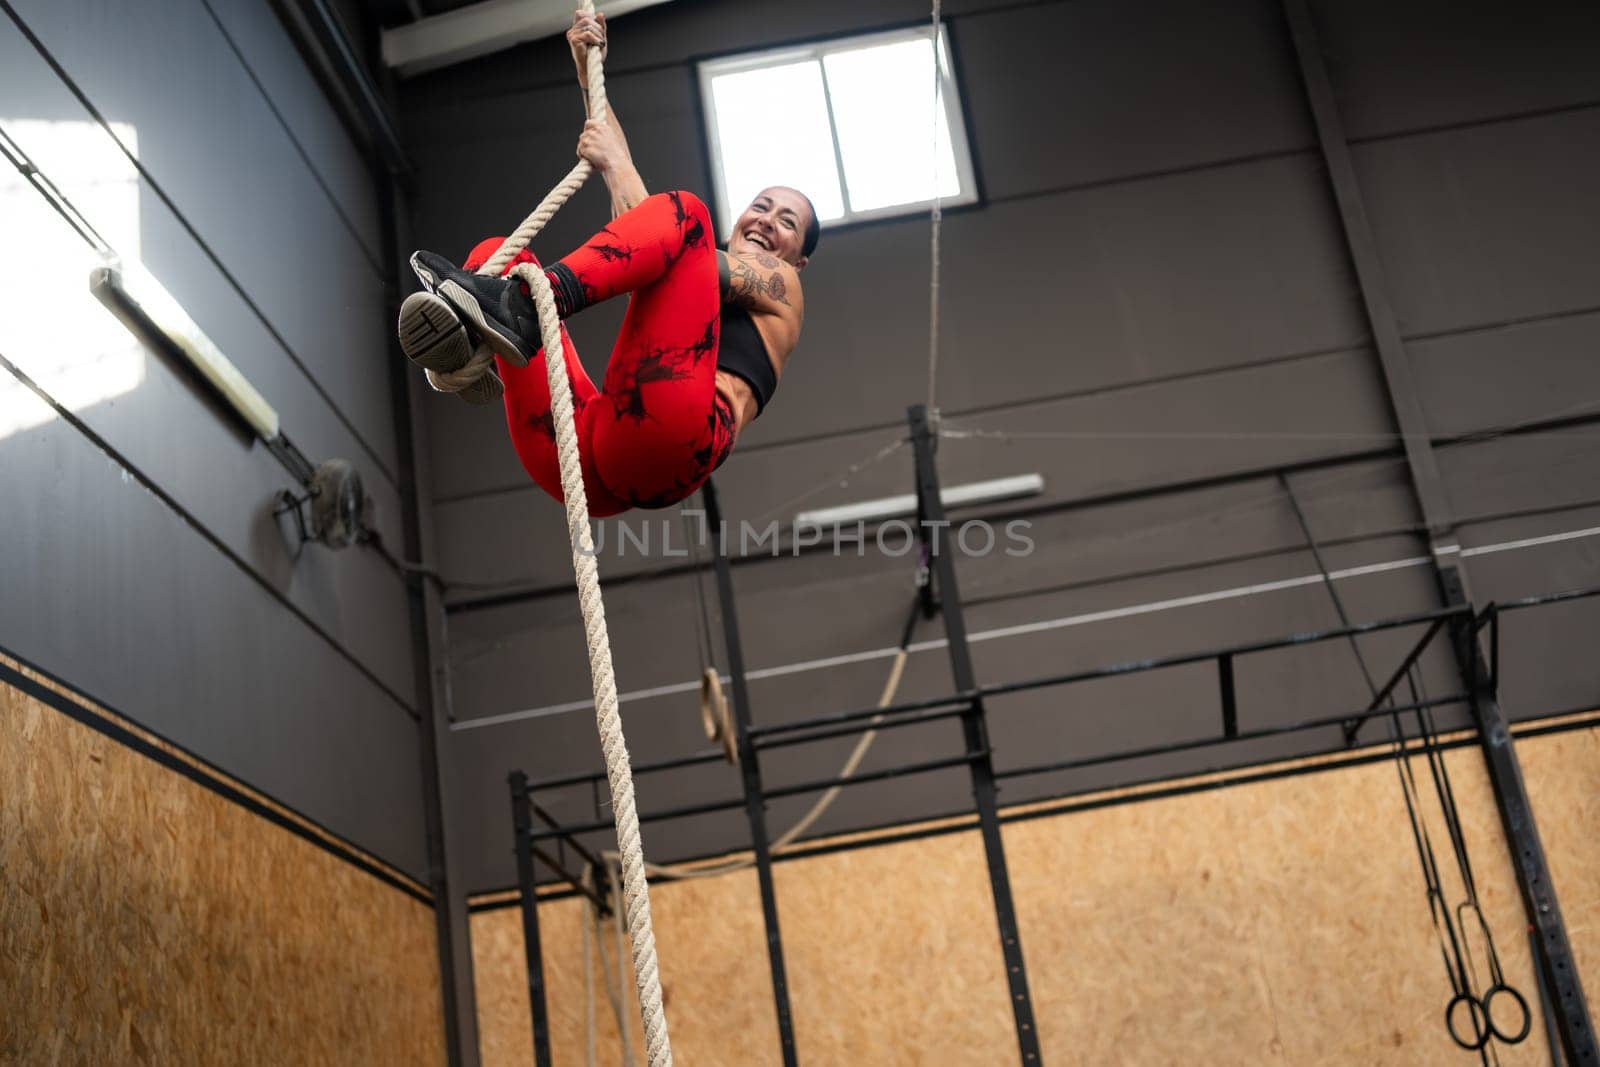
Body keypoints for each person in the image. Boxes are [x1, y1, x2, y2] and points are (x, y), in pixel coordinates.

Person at [397, 10, 819, 516]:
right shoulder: (684, 251)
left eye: (787, 221)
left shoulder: (785, 287)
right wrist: (586, 72)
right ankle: (471, 348)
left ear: (801, 257)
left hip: (674, 443)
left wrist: (621, 168)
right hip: (589, 457)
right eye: (762, 205)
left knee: (687, 214)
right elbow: (644, 221)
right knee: (496, 254)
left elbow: (674, 228)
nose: (768, 220)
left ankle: (520, 308)